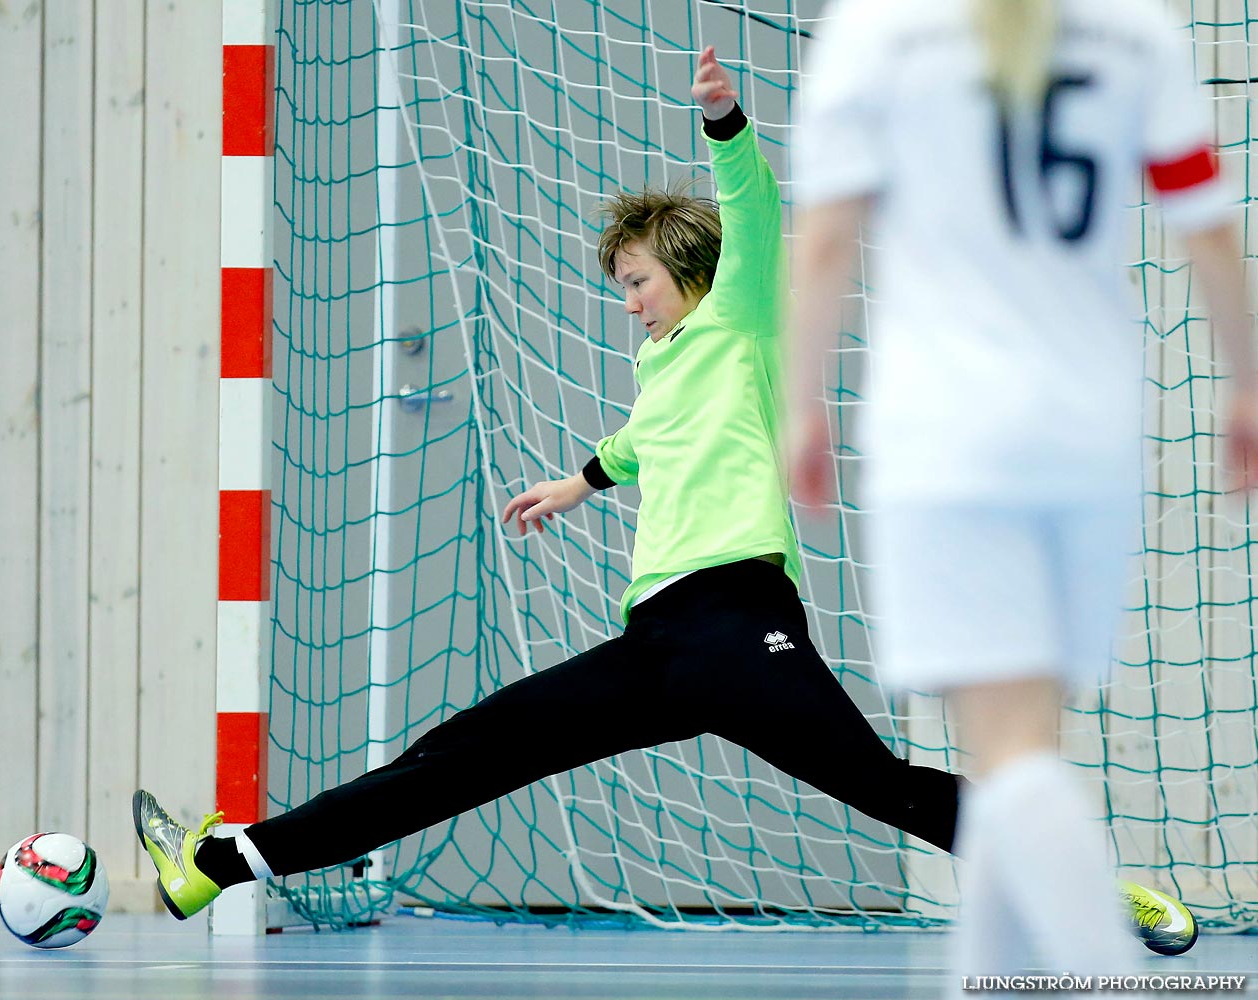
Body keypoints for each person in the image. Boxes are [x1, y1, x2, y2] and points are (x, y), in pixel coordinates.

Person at [134, 46, 1183, 953]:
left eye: (637, 280)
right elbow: (645, 442)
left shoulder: (740, 321)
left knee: (895, 789)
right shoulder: (665, 368)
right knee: (462, 753)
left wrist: (724, 120)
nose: (628, 301)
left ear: (689, 274)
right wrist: (577, 483)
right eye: (621, 285)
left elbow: (755, 209)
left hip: (742, 626)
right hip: (657, 645)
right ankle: (227, 858)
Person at [786, 0, 1254, 982]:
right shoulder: (1137, 31)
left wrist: (802, 407)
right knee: (1019, 748)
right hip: (1088, 436)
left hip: (949, 435)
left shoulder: (879, 31)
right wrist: (1247, 384)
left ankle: (1104, 978)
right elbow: (1207, 226)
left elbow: (826, 239)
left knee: (1010, 755)